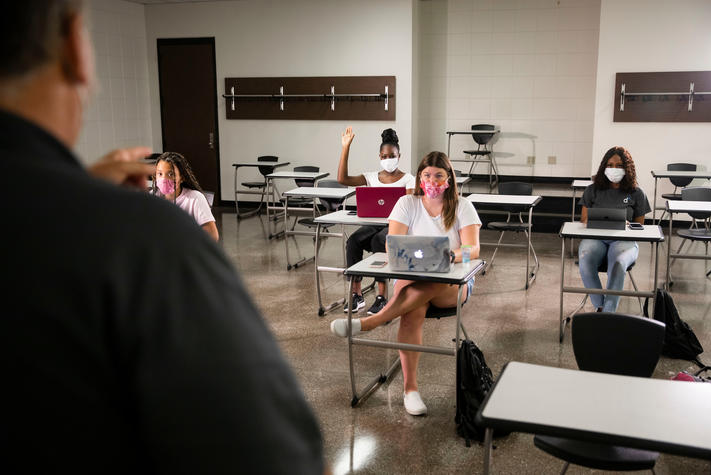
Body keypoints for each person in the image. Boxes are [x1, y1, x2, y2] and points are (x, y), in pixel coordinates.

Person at [0, 2, 324, 473]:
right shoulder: (141, 239)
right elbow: (275, 451)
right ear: (74, 47)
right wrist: (92, 206)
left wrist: (78, 191)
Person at [330, 151, 481, 416]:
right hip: (411, 279)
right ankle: (410, 390)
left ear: (449, 178)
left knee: (431, 279)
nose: (432, 180)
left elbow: (474, 250)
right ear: (420, 177)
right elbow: (393, 245)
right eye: (426, 175)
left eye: (438, 175)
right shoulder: (406, 203)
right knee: (413, 309)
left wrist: (452, 256)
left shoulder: (462, 205)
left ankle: (371, 322)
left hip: (453, 285)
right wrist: (412, 260)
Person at [337, 126, 415, 315]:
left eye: (392, 156)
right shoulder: (371, 177)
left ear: (399, 156)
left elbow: (411, 207)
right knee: (354, 241)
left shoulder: (409, 179)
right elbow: (342, 179)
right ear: (380, 157)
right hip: (373, 223)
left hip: (395, 226)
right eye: (385, 156)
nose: (389, 160)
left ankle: (382, 297)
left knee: (380, 240)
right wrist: (346, 147)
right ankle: (356, 294)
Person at [578, 146, 651, 313]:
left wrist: (627, 225)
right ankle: (601, 307)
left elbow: (639, 225)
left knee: (618, 263)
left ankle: (608, 314)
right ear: (604, 166)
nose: (614, 169)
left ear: (627, 168)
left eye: (619, 166)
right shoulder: (592, 190)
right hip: (595, 238)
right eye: (610, 165)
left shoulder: (636, 193)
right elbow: (584, 219)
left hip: (624, 240)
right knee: (585, 259)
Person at [153, 151, 220, 241]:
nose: (164, 179)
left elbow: (213, 236)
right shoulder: (150, 198)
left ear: (182, 178)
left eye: (171, 174)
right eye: (160, 174)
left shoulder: (195, 198)